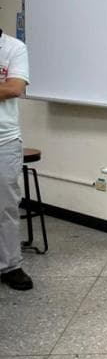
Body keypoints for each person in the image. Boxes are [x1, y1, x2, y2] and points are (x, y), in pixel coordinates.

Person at [0, 23, 33, 291]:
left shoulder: (14, 48)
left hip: (4, 141)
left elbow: (13, 88)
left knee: (6, 207)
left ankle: (10, 265)